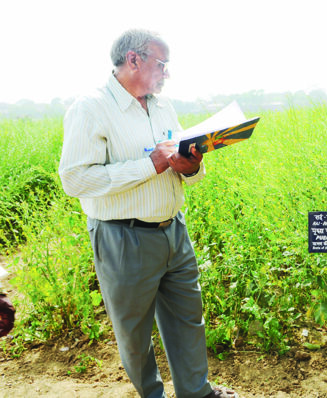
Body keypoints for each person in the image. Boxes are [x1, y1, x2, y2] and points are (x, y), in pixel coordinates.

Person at [59, 29, 237, 398]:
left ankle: (196, 393)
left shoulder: (162, 106)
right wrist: (149, 165)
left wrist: (190, 166)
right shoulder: (90, 107)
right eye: (162, 64)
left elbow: (183, 167)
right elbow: (75, 179)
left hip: (174, 230)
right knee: (134, 332)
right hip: (123, 238)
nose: (167, 74)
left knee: (188, 319)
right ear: (134, 59)